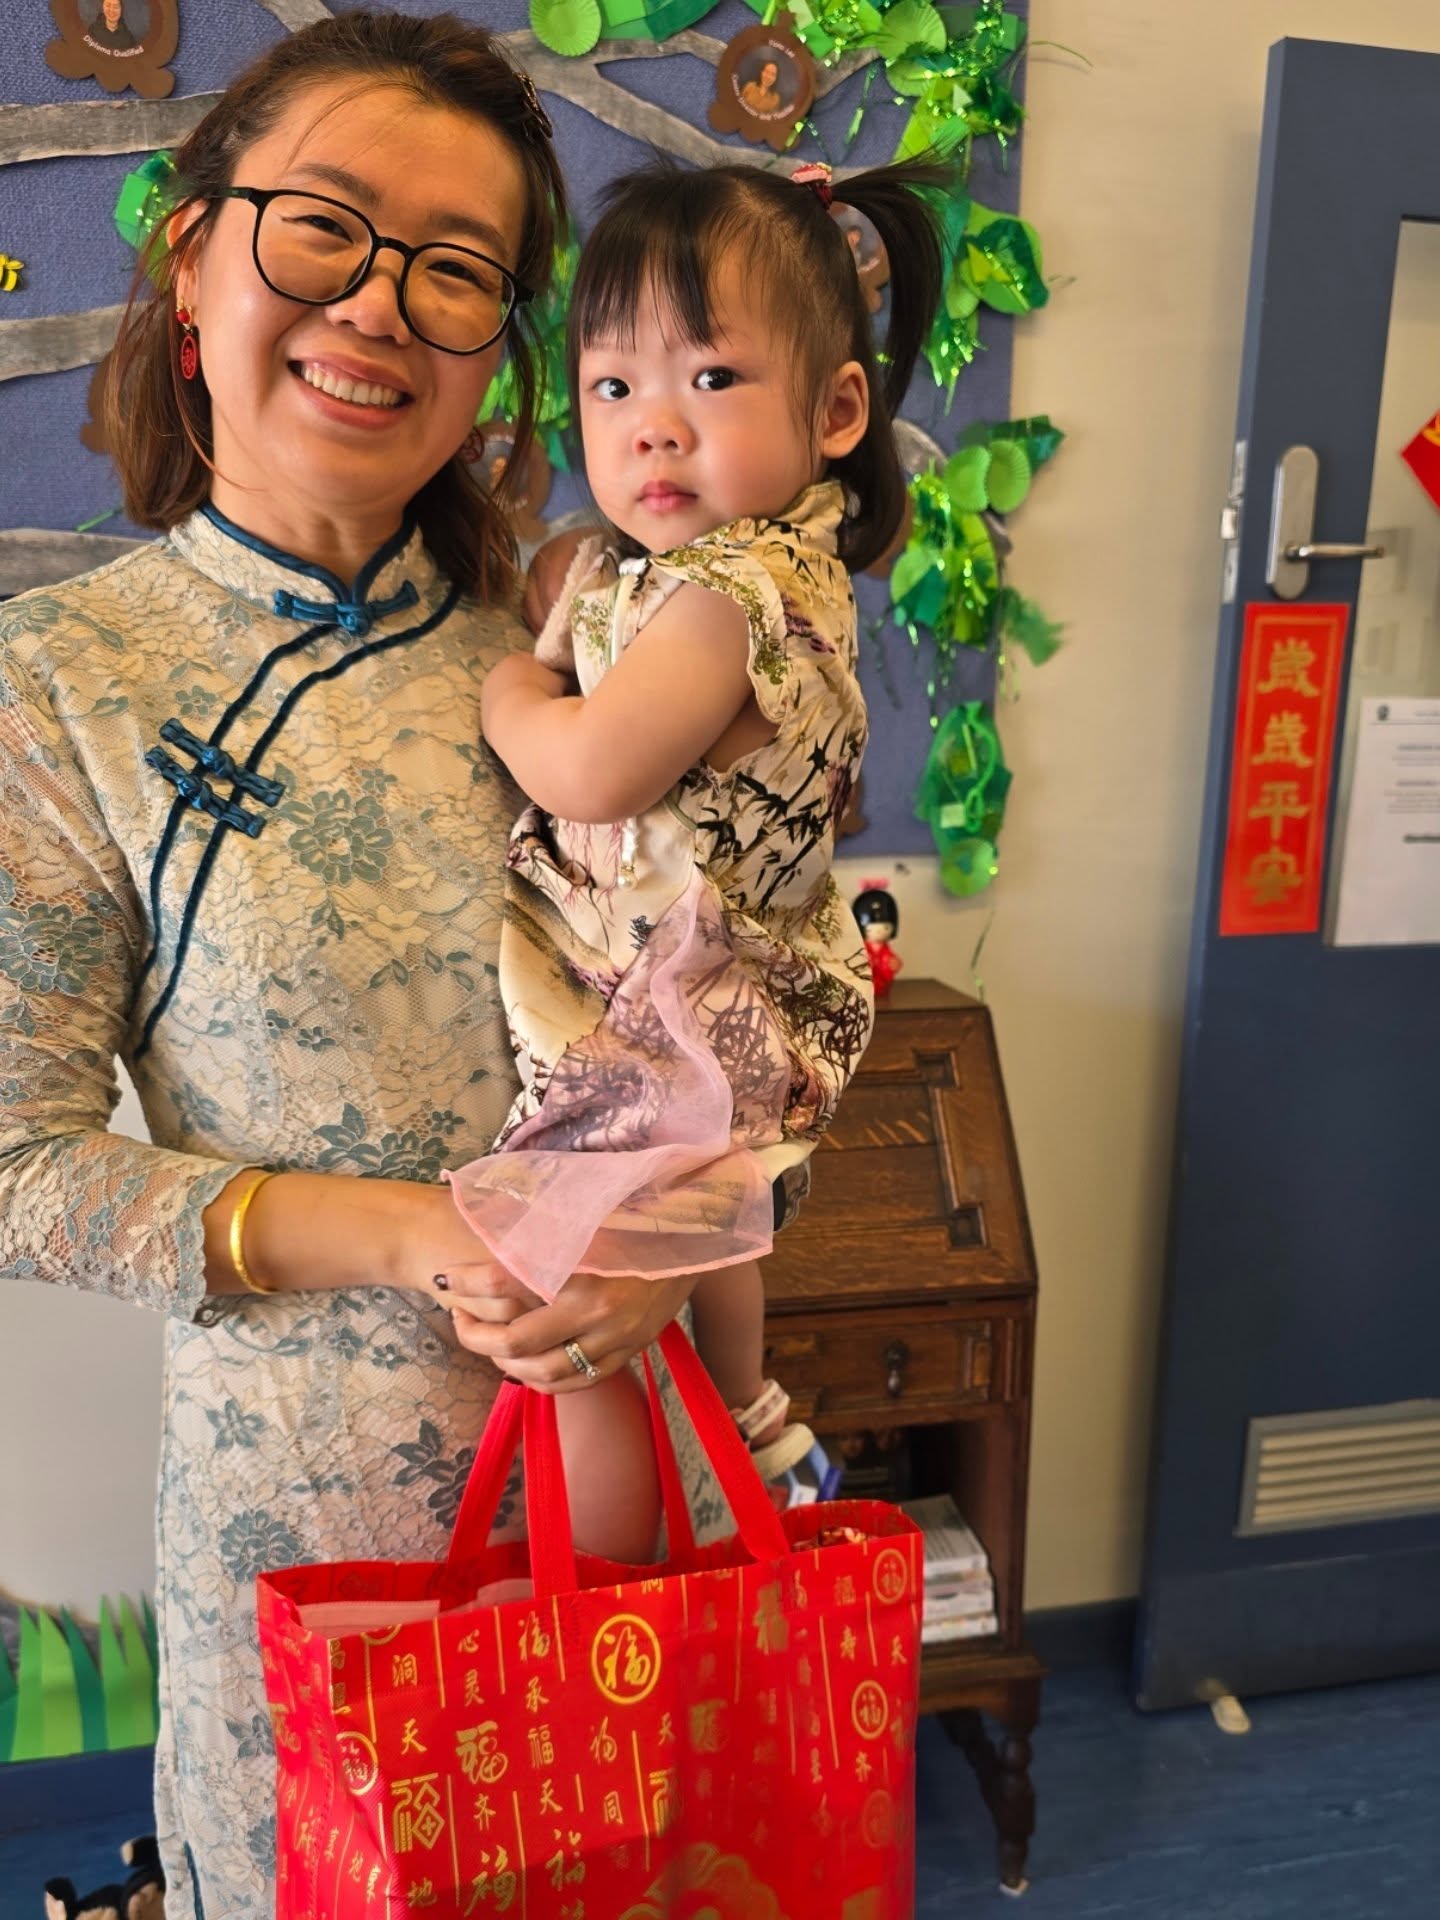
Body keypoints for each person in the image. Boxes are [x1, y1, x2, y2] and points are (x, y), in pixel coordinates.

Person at [0, 12, 708, 1914]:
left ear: (499, 350)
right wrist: (419, 1234)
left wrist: (668, 1241)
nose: (380, 306)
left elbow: (739, 1014)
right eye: (323, 228)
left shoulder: (594, 660)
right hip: (313, 1534)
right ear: (193, 254)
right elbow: (14, 1169)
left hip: (630, 1497)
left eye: (457, 270)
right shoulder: (66, 686)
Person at [448, 154, 952, 1486]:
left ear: (837, 409)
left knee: (579, 1312)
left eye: (711, 377)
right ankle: (754, 1418)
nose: (653, 427)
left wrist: (510, 691)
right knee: (705, 1215)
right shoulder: (724, 572)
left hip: (679, 1003)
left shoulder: (729, 599)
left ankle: (621, 1571)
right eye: (614, 387)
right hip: (720, 998)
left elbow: (591, 771)